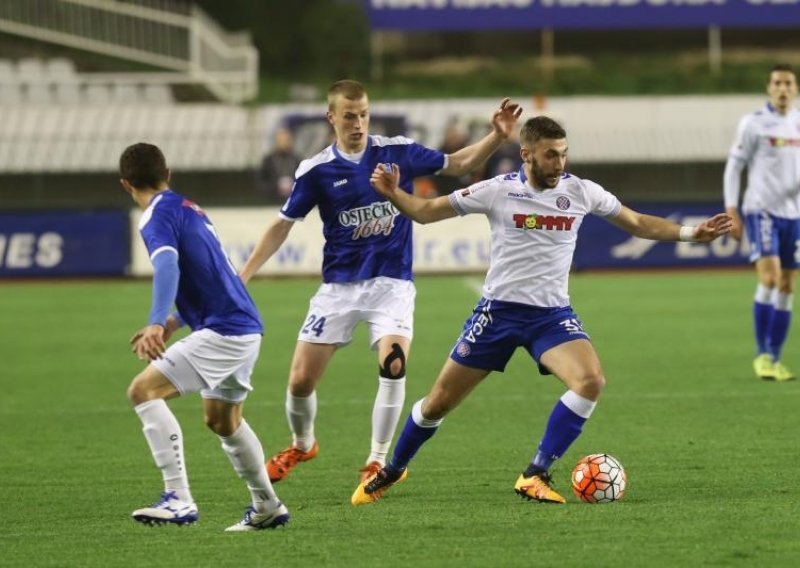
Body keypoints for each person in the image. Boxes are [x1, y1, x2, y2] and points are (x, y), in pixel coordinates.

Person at [352, 116, 732, 505]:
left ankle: (534, 473)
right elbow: (428, 211)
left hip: (550, 317)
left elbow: (636, 222)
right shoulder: (497, 190)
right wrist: (395, 194)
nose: (560, 163)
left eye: (564, 154)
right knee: (437, 404)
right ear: (527, 154)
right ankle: (393, 469)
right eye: (551, 155)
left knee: (590, 381)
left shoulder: (582, 192)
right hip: (497, 315)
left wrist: (690, 233)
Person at [239, 80, 522, 487]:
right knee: (300, 381)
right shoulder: (316, 171)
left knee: (393, 364)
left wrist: (496, 135)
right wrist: (244, 274)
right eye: (349, 116)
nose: (358, 123)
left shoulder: (397, 152)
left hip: (391, 283)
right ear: (331, 117)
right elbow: (282, 226)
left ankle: (377, 461)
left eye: (364, 114)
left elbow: (457, 164)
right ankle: (302, 444)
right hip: (338, 288)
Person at [121, 142, 289, 531]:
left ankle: (178, 498)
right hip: (244, 327)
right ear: (169, 174)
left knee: (142, 391)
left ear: (125, 184)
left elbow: (167, 265)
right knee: (223, 422)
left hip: (225, 332)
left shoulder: (154, 218)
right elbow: (217, 275)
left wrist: (155, 320)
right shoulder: (189, 208)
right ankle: (267, 505)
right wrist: (176, 321)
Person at [724, 63, 800, 382]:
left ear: (795, 89)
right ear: (769, 88)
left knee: (787, 284)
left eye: (788, 84)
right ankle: (761, 354)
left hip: (794, 215)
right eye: (777, 83)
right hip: (761, 210)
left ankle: (776, 358)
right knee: (769, 278)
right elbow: (734, 166)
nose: (783, 89)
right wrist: (732, 209)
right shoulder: (754, 124)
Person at [258, 127, 301, 202]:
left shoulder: (297, 159)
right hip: (272, 201)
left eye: (287, 140)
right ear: (276, 142)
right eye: (282, 140)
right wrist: (276, 187)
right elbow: (261, 182)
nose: (285, 143)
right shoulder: (268, 160)